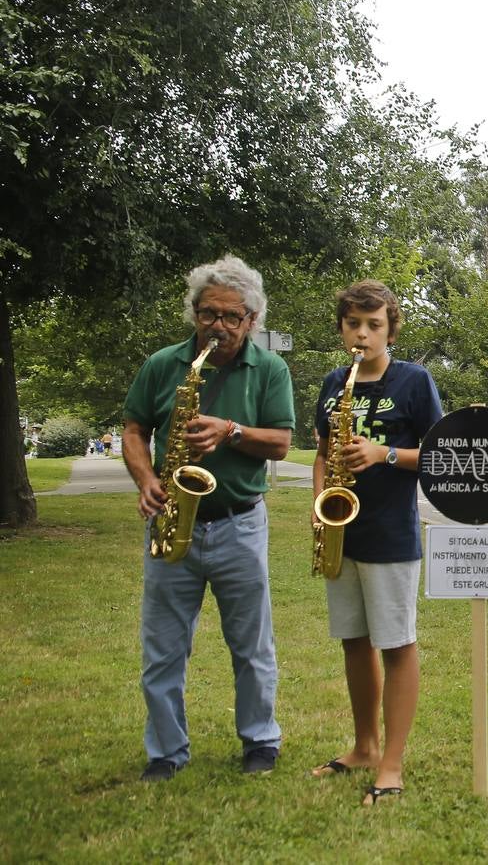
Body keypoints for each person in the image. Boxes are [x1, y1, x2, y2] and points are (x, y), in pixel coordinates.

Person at [122, 254, 294, 782]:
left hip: (240, 522)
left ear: (251, 322)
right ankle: (166, 751)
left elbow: (283, 443)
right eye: (208, 314)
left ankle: (260, 742)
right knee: (163, 648)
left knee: (251, 646)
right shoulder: (162, 364)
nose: (218, 326)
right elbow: (133, 428)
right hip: (173, 520)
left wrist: (231, 431)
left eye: (231, 317)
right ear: (194, 313)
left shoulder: (269, 368)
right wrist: (148, 480)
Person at [309, 280, 442, 807]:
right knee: (354, 641)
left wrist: (383, 453)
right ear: (342, 327)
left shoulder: (413, 381)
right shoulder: (331, 382)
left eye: (374, 325)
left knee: (396, 644)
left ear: (390, 328)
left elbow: (439, 450)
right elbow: (321, 452)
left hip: (390, 534)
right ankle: (364, 747)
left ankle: (391, 762)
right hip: (343, 530)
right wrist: (321, 507)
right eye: (353, 324)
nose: (362, 334)